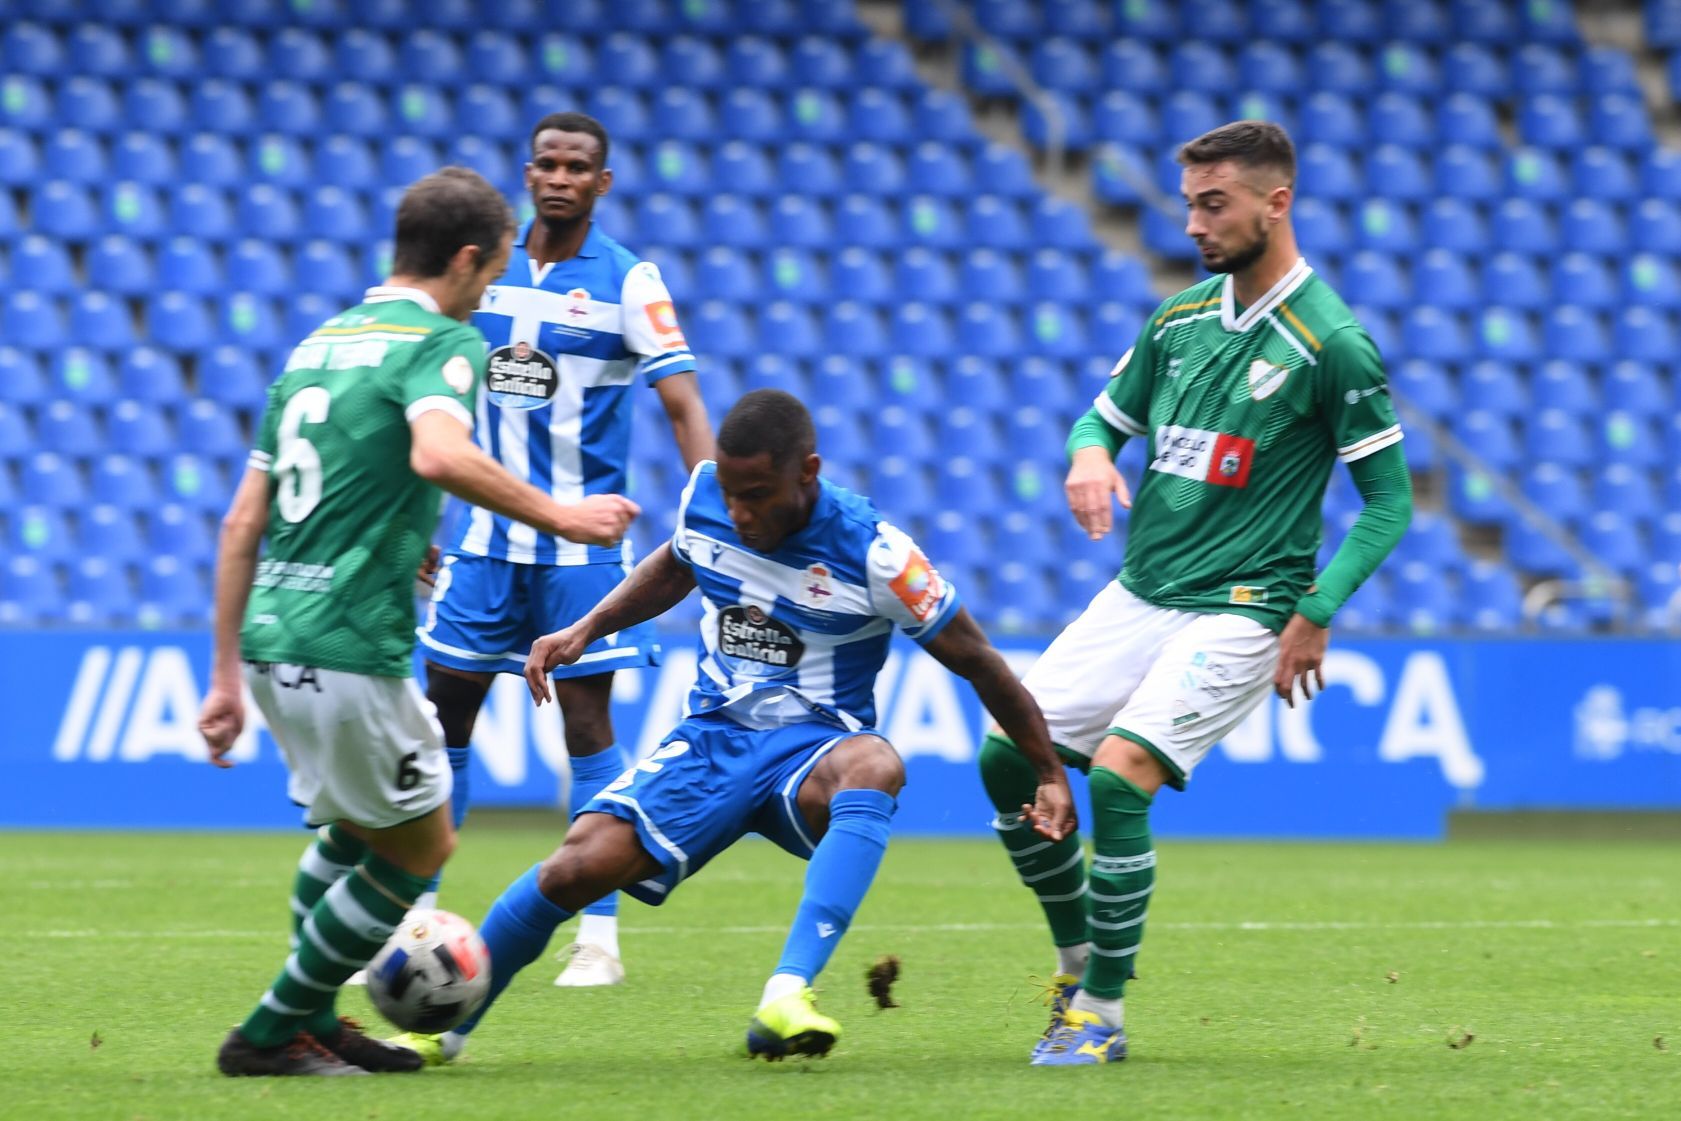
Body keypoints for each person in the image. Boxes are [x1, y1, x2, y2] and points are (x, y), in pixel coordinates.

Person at [392, 389, 1076, 1065]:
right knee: (574, 866)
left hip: (812, 750)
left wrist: (1047, 771)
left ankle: (785, 995)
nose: (741, 512)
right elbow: (676, 562)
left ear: (807, 471)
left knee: (875, 763)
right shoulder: (707, 495)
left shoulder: (877, 554)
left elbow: (979, 660)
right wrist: (585, 627)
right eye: (731, 492)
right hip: (711, 740)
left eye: (757, 494)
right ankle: (442, 1028)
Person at [979, 121, 1414, 1066]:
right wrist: (1088, 456)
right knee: (1005, 761)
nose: (1194, 224)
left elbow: (1389, 503)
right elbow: (1097, 419)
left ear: (1276, 202)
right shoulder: (1176, 322)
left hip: (1248, 603)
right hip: (1141, 591)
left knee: (1116, 776)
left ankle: (1101, 1013)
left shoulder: (1330, 342)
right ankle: (1075, 957)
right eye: (1189, 203)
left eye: (1213, 203)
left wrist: (1316, 610)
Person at [197, 167, 639, 1077]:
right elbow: (440, 451)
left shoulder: (319, 344)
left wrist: (224, 675)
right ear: (469, 258)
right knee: (422, 844)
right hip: (349, 640)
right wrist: (563, 516)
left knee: (357, 834)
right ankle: (273, 1030)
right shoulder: (440, 341)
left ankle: (315, 1019)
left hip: (277, 632)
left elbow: (245, 518)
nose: (493, 288)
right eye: (495, 267)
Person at [416, 111, 714, 988]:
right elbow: (432, 403)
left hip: (580, 545)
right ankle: (418, 919)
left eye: (577, 166)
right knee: (445, 720)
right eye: (545, 162)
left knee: (586, 725)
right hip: (482, 541)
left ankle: (599, 935)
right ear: (527, 172)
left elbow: (685, 406)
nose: (559, 177)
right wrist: (418, 522)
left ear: (601, 182)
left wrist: (712, 522)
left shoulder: (629, 280)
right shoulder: (486, 270)